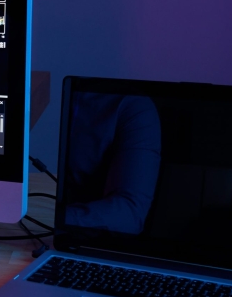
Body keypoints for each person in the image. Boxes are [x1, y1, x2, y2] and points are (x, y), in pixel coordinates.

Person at [63, 92, 162, 235]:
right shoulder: (37, 88)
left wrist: (55, 218)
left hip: (75, 237)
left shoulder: (134, 106)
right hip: (31, 224)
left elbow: (129, 214)